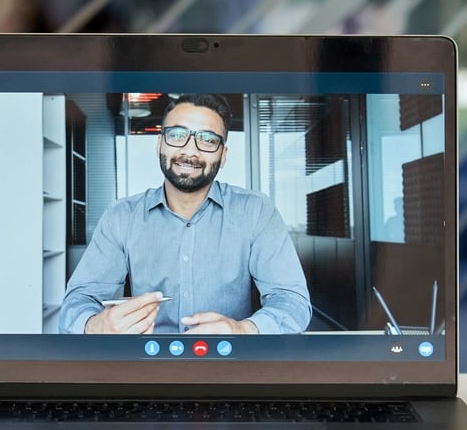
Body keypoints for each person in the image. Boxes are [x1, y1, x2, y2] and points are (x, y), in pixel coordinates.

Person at [57, 93, 312, 334]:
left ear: (223, 155)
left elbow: (293, 302)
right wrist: (96, 324)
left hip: (229, 364)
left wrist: (243, 329)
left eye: (208, 140)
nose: (190, 151)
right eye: (178, 135)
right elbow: (77, 302)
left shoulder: (256, 211)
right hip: (147, 365)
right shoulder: (121, 217)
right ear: (160, 143)